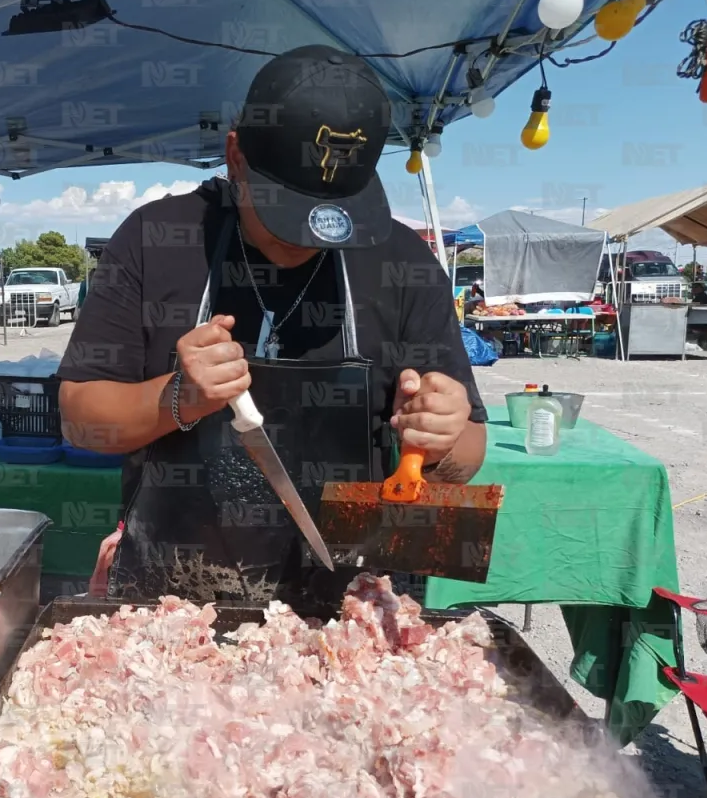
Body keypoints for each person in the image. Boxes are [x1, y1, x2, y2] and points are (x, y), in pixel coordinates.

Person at [58, 46, 488, 605]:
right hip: (172, 613)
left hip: (353, 610)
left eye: (333, 218)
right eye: (286, 212)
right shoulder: (154, 240)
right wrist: (178, 398)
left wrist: (441, 439)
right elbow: (80, 422)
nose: (308, 239)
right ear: (235, 155)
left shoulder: (404, 262)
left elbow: (467, 458)